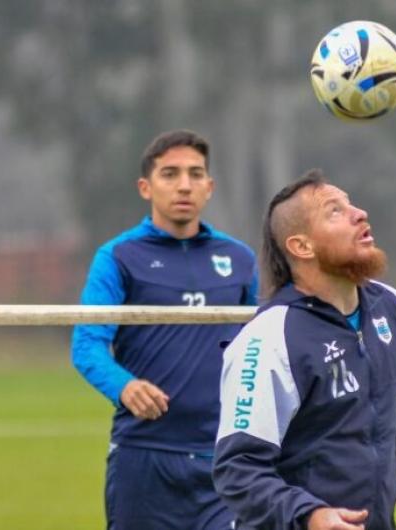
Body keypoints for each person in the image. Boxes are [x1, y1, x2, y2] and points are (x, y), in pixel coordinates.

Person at [213, 169, 396, 530]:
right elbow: (238, 469)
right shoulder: (268, 338)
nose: (360, 214)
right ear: (301, 246)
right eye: (335, 211)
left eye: (351, 204)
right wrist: (310, 515)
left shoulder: (392, 307)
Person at [72, 129, 258, 530]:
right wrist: (124, 386)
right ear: (146, 187)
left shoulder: (239, 259)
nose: (184, 185)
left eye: (195, 174)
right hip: (144, 456)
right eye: (170, 174)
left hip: (224, 456)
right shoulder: (117, 257)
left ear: (210, 187)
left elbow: (262, 346)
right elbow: (87, 345)